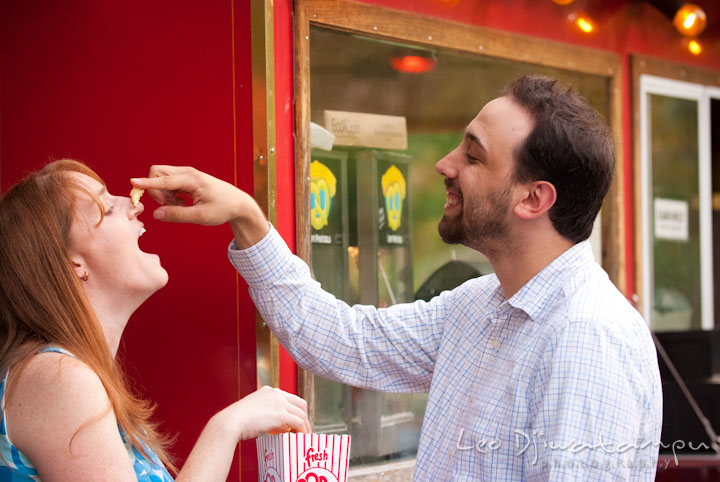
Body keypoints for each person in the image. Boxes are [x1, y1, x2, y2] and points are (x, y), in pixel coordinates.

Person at [132, 75, 663, 480]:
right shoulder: (481, 305)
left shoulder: (587, 336)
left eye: (474, 156)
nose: (445, 165)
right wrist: (248, 219)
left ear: (533, 199)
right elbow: (342, 340)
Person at [0, 159, 311, 481]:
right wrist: (227, 427)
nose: (133, 205)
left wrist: (244, 210)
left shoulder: (65, 373)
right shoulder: (60, 377)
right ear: (72, 262)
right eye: (106, 208)